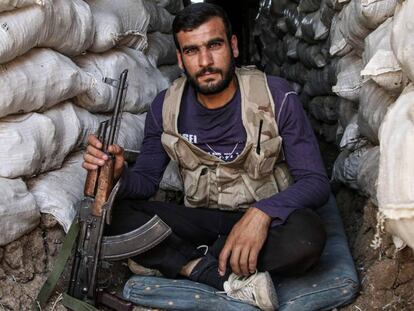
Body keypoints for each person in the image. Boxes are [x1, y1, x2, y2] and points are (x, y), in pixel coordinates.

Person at [83, 3, 330, 310]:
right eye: (192, 51)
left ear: (234, 46)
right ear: (180, 58)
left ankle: (180, 258)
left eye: (214, 45)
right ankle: (206, 270)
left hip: (266, 225)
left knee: (306, 238)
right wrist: (118, 173)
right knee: (112, 214)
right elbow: (146, 182)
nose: (205, 61)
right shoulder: (166, 107)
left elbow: (316, 182)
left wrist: (263, 213)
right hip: (202, 219)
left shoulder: (276, 97)